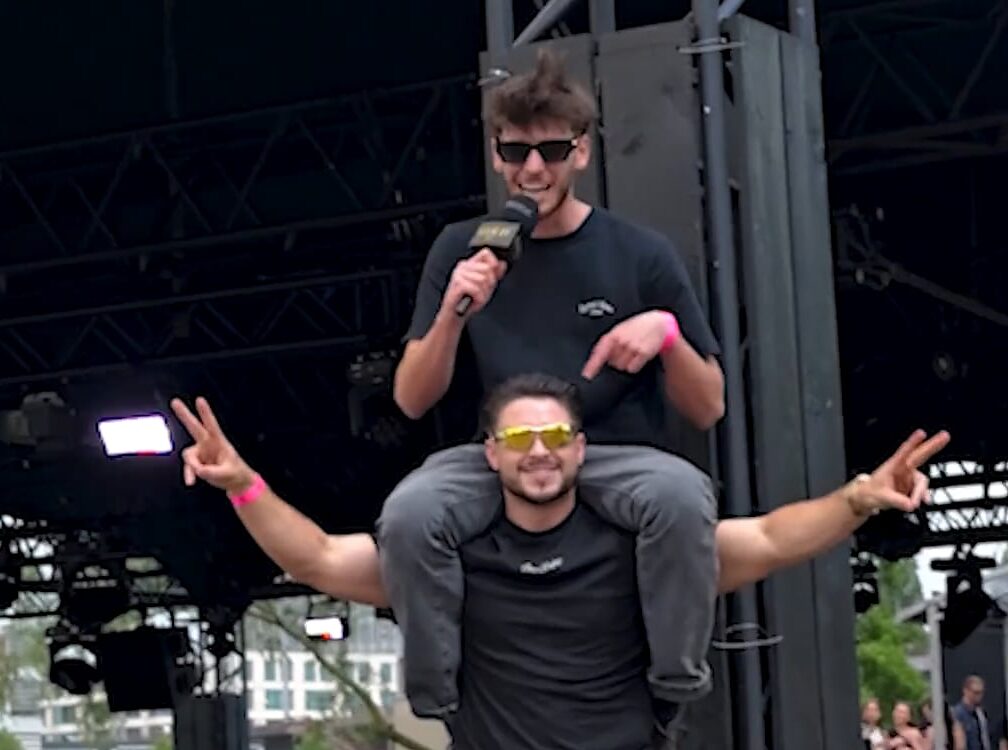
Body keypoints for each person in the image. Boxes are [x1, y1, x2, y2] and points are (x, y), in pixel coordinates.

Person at [170, 374, 949, 748]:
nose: (537, 452)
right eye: (518, 438)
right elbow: (315, 559)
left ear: (582, 449)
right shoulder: (447, 558)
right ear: (489, 454)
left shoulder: (644, 548)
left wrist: (861, 497)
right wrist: (242, 485)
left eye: (553, 438)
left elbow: (772, 539)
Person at [381, 47, 726, 720]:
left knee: (683, 498)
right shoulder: (462, 247)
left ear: (582, 152)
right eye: (516, 152)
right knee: (409, 514)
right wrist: (454, 311)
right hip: (506, 451)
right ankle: (434, 697)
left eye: (551, 151)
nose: (533, 169)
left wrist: (666, 334)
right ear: (495, 155)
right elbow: (410, 399)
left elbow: (708, 406)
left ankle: (675, 684)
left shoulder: (639, 252)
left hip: (609, 450)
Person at [952, 676, 992, 750]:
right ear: (965, 691)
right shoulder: (958, 713)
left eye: (981, 692)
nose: (979, 696)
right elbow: (959, 744)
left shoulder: (981, 712)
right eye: (976, 693)